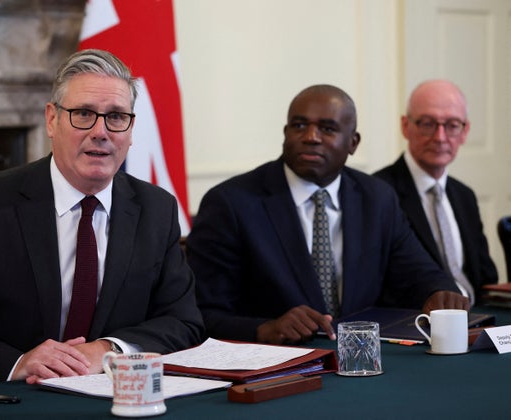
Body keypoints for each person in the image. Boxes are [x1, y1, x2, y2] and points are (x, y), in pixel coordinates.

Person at [0, 49, 204, 390]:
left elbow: (183, 320)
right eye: (84, 113)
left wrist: (107, 350)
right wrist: (17, 362)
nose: (101, 131)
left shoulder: (155, 208)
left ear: (130, 131)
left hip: (108, 397)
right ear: (52, 120)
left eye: (116, 117)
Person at [186, 84, 468, 346]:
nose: (310, 137)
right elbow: (201, 313)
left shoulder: (377, 198)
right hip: (281, 368)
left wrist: (439, 291)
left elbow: (418, 271)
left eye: (327, 128)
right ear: (285, 133)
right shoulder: (231, 204)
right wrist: (266, 328)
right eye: (299, 125)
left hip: (362, 359)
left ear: (353, 142)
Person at [374, 80, 497, 306]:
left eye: (452, 125)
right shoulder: (379, 194)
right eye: (428, 124)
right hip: (417, 324)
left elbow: (485, 277)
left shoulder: (464, 196)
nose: (440, 137)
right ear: (405, 126)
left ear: (465, 131)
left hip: (475, 320)